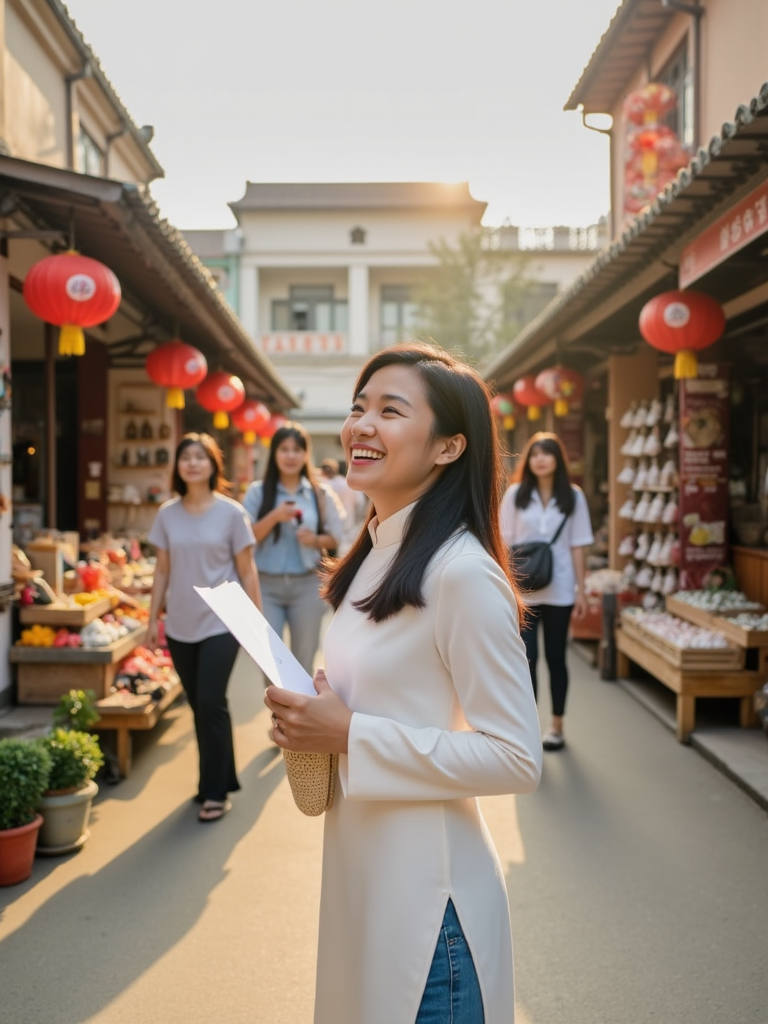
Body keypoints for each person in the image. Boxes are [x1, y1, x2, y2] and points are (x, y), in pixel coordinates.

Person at [265, 343, 542, 1024]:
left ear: (449, 447)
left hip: (430, 914)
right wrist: (320, 713)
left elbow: (516, 756)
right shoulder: (374, 557)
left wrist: (351, 732)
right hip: (367, 882)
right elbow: (387, 699)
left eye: (390, 410)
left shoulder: (461, 573)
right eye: (359, 407)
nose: (361, 425)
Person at [146, 433, 262, 823]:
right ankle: (214, 779)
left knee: (211, 702)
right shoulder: (167, 514)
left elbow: (247, 570)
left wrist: (255, 625)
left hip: (221, 621)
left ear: (214, 465)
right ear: (178, 466)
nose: (193, 463)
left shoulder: (232, 513)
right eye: (186, 457)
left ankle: (215, 792)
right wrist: (152, 619)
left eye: (201, 457)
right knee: (200, 707)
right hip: (179, 623)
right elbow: (162, 568)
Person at [500, 432, 594, 752]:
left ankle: (557, 726)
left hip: (561, 588)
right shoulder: (515, 495)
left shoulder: (573, 497)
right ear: (528, 460)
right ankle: (530, 727)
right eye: (535, 454)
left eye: (547, 453)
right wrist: (504, 589)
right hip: (524, 590)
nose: (540, 459)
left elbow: (579, 545)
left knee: (556, 657)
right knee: (526, 659)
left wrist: (582, 590)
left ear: (558, 460)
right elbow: (503, 544)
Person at [242, 423, 344, 675]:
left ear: (306, 454)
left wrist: (315, 540)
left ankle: (298, 715)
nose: (290, 455)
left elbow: (335, 538)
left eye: (296, 450)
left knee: (303, 662)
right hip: (265, 587)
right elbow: (245, 538)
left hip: (307, 585)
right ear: (274, 453)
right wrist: (274, 517)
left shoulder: (320, 493)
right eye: (284, 449)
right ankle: (278, 715)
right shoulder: (258, 492)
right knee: (270, 663)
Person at [320, 457, 368, 555]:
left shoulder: (323, 485)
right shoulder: (347, 484)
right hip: (349, 525)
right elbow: (360, 504)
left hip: (329, 527)